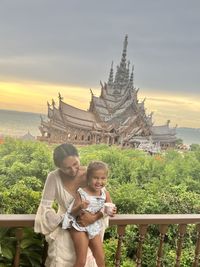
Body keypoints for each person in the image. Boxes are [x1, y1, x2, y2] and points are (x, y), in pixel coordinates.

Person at [34, 143, 108, 267]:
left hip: (90, 226)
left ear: (79, 157)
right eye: (67, 168)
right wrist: (64, 220)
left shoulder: (91, 174)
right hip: (65, 228)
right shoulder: (53, 177)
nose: (73, 170)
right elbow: (45, 208)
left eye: (75, 164)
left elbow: (104, 200)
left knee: (95, 258)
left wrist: (93, 218)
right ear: (59, 167)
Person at [62, 161, 116, 267]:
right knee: (81, 261)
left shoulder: (105, 194)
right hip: (79, 227)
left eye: (103, 178)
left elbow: (109, 207)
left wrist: (112, 211)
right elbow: (73, 212)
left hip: (94, 226)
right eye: (95, 178)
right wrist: (81, 206)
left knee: (100, 257)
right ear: (88, 177)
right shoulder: (82, 192)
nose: (99, 181)